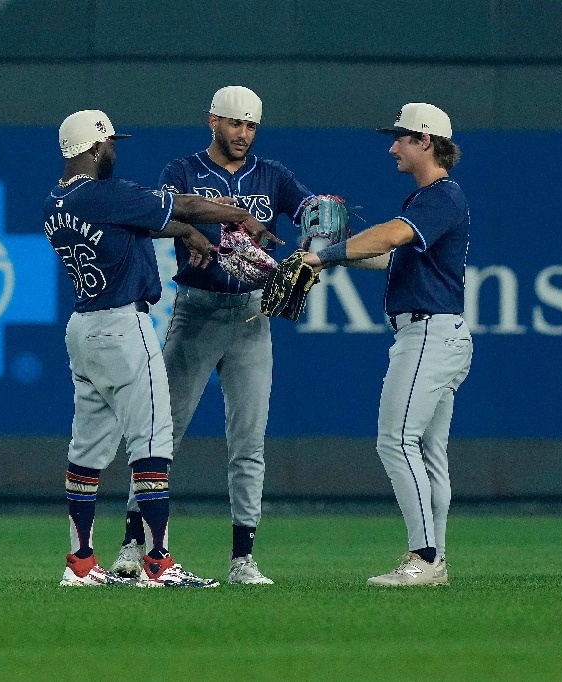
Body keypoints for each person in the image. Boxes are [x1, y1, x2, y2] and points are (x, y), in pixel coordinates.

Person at [46, 109, 277, 587]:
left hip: (83, 328)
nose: (114, 150)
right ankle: (158, 562)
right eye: (110, 144)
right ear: (93, 148)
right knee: (152, 442)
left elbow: (136, 223)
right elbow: (185, 204)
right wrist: (238, 214)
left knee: (87, 449)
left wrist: (186, 233)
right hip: (122, 328)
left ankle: (81, 563)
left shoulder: (56, 201)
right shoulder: (109, 193)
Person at [110, 86, 319, 585]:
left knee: (248, 443)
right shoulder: (181, 172)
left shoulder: (272, 176)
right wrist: (191, 226)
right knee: (161, 432)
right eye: (234, 124)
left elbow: (314, 214)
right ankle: (133, 545)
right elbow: (161, 218)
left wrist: (317, 242)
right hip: (197, 314)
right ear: (213, 122)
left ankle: (242, 559)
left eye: (251, 126)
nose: (243, 133)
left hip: (251, 319)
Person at [304, 103, 472, 587]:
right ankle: (435, 561)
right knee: (427, 450)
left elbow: (391, 237)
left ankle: (423, 556)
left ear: (426, 141)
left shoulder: (439, 197)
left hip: (428, 335)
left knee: (395, 441)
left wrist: (327, 253)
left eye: (400, 137)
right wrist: (328, 260)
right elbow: (388, 256)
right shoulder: (431, 198)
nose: (392, 146)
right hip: (438, 333)